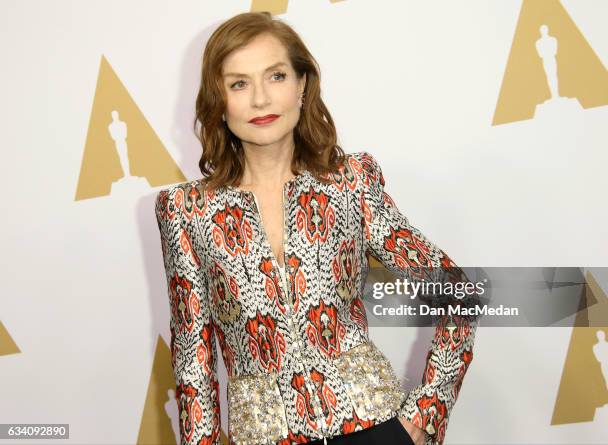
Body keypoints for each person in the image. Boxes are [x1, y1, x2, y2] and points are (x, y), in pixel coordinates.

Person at [154, 11, 479, 445]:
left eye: (276, 76)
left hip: (373, 427)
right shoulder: (186, 210)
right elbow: (193, 359)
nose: (260, 100)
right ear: (219, 101)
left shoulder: (350, 182)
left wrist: (425, 415)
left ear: (302, 85)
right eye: (238, 83)